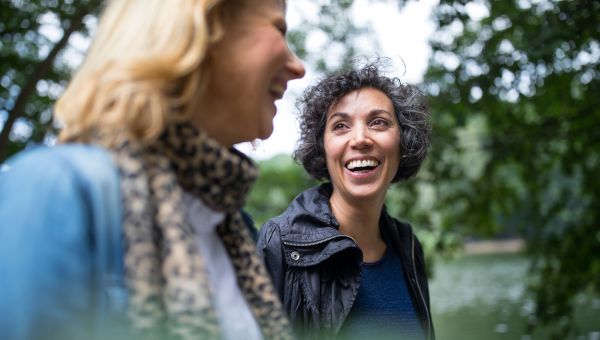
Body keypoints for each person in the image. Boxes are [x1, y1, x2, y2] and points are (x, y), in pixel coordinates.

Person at [0, 0, 304, 339]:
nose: (298, 66)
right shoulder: (56, 191)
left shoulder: (233, 230)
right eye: (278, 28)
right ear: (201, 28)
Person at [257, 62, 435, 340]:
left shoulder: (409, 246)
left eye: (378, 122)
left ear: (403, 143)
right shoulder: (278, 243)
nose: (360, 139)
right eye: (340, 125)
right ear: (323, 148)